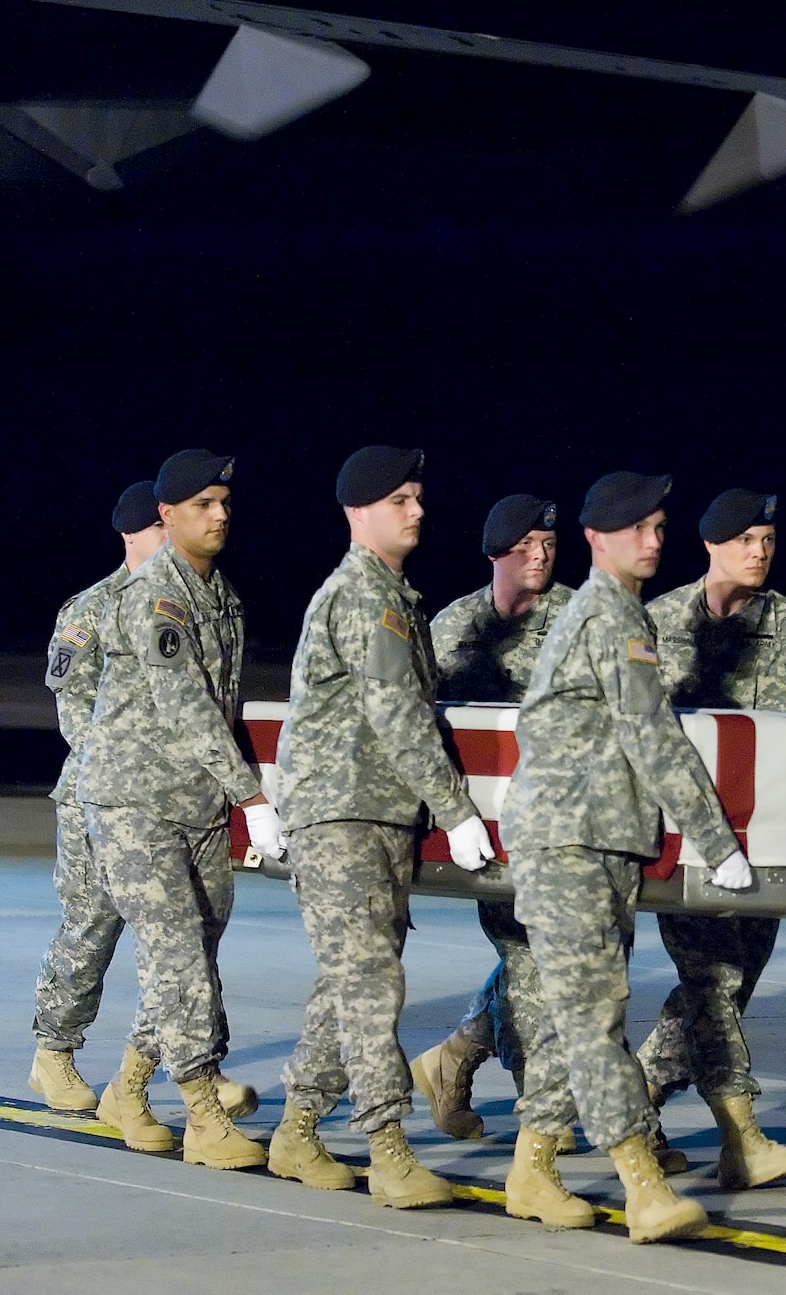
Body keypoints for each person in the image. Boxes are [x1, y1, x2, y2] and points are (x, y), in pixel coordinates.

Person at [498, 471, 755, 1240]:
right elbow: (651, 733)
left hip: (593, 841)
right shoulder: (613, 617)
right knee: (592, 1020)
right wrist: (716, 841)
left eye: (658, 527)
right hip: (569, 844)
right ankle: (642, 1186)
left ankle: (532, 1171)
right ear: (598, 538)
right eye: (639, 529)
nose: (653, 540)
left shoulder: (610, 611)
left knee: (576, 1018)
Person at [271, 445, 492, 1208]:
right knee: (370, 983)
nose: (418, 510)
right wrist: (458, 809)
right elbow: (398, 713)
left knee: (348, 982)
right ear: (359, 512)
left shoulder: (391, 593)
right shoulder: (368, 596)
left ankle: (297, 1131)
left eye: (419, 496)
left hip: (370, 812)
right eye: (401, 498)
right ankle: (388, 1146)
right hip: (342, 815)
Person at [74, 450, 277, 1168]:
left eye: (224, 502)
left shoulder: (219, 596)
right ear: (167, 515)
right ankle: (201, 1113)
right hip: (133, 802)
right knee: (178, 952)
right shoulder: (154, 598)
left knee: (198, 947)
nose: (219, 515)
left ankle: (129, 1088)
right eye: (202, 505)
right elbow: (189, 708)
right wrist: (254, 795)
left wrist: (233, 793)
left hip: (194, 804)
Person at [634, 487, 786, 1188]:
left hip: (763, 837)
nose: (760, 552)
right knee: (713, 977)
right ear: (710, 545)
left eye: (768, 540)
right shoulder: (654, 622)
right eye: (746, 540)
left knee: (731, 984)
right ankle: (740, 1140)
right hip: (684, 835)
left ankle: (632, 1103)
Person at [408, 495, 573, 1144]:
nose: (540, 556)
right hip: (487, 829)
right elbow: (420, 724)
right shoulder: (454, 628)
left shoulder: (575, 622)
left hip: (562, 826)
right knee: (531, 955)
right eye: (527, 545)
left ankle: (456, 1057)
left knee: (546, 956)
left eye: (549, 546)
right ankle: (541, 1107)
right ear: (496, 553)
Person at [28, 481, 168, 1111]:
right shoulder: (91, 609)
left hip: (167, 801)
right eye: (162, 527)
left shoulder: (182, 606)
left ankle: (168, 1064)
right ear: (132, 534)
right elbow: (74, 712)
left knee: (176, 934)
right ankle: (53, 1054)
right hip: (96, 797)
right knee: (92, 926)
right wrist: (124, 778)